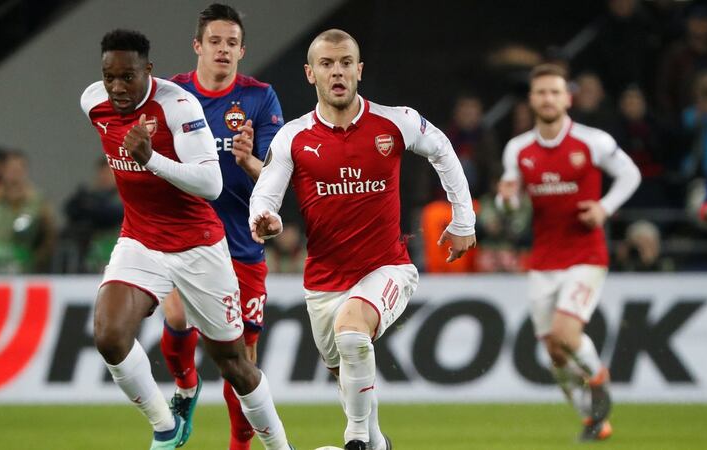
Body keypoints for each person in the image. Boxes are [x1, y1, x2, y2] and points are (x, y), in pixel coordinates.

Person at [249, 29, 477, 450]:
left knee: (353, 333)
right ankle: (375, 443)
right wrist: (264, 218)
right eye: (326, 64)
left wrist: (464, 220)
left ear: (359, 69)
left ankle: (354, 440)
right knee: (348, 372)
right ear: (310, 73)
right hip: (323, 282)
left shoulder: (396, 121)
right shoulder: (294, 137)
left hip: (387, 267)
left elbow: (443, 148)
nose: (337, 71)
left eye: (345, 62)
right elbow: (266, 193)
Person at [79, 29, 292, 450]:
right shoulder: (93, 102)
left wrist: (151, 159)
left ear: (149, 71)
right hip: (140, 240)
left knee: (235, 365)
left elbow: (211, 183)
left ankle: (281, 447)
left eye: (128, 77)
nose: (118, 88)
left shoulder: (177, 105)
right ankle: (165, 427)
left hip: (198, 246)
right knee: (108, 335)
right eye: (110, 77)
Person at [497, 63, 641, 442]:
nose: (547, 99)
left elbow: (631, 174)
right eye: (541, 92)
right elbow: (511, 209)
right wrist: (506, 201)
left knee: (565, 332)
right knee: (555, 355)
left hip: (586, 255)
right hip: (543, 261)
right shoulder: (518, 149)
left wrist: (604, 209)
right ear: (532, 99)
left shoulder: (592, 142)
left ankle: (598, 380)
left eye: (554, 92)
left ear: (568, 98)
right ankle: (593, 420)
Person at [163, 5, 284, 449]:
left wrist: (250, 160)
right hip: (184, 236)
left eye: (231, 43)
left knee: (242, 359)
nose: (223, 50)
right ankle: (186, 385)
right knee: (176, 316)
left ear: (242, 51)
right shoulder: (172, 93)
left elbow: (275, 176)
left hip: (240, 242)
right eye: (214, 41)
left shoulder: (259, 98)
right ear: (198, 46)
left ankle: (240, 445)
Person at [0, 150, 56, 274]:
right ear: (2, 171)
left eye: (20, 169)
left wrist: (38, 260)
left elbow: (50, 234)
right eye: (11, 169)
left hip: (25, 268)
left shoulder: (38, 202)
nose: (15, 174)